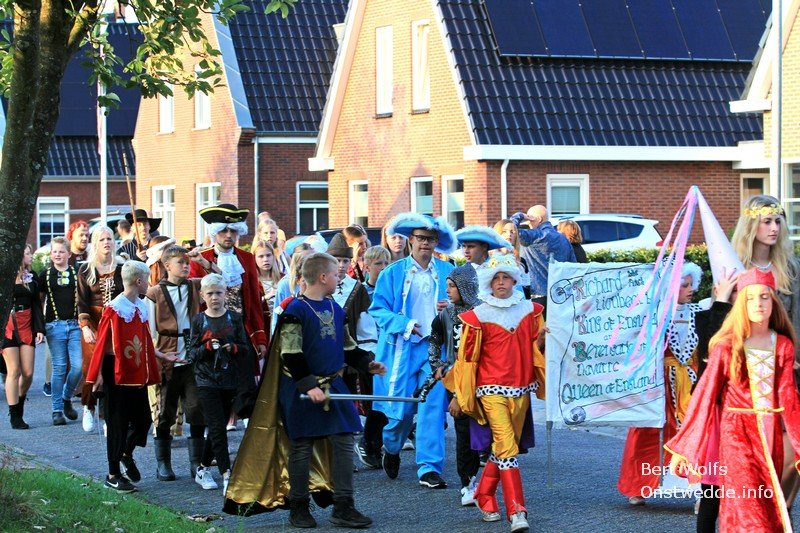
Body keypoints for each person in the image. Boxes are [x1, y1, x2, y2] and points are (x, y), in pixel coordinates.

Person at [665, 268, 800, 532]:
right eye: (750, 298)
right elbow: (704, 395)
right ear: (741, 304)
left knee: (768, 502)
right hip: (736, 434)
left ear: (774, 302)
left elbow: (789, 397)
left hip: (770, 435)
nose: (758, 304)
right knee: (746, 504)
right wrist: (685, 446)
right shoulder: (726, 346)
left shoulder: (783, 345)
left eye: (764, 297)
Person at [279, 253, 384, 527]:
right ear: (323, 277)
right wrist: (309, 385)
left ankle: (343, 506)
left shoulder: (336, 309)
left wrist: (367, 364)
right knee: (302, 446)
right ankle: (298, 506)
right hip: (300, 388)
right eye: (336, 274)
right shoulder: (294, 311)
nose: (340, 278)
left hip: (333, 385)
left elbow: (348, 347)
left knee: (344, 439)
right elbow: (290, 353)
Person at [446, 254, 545, 532]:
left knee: (503, 447)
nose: (501, 282)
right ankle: (517, 511)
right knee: (507, 447)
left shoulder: (531, 311)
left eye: (506, 277)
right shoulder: (477, 317)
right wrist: (459, 395)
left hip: (521, 389)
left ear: (515, 280)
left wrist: (544, 338)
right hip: (490, 391)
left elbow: (538, 350)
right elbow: (466, 361)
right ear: (489, 282)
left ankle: (485, 493)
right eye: (496, 278)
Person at [369, 213, 456, 488]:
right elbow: (378, 310)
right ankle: (392, 446)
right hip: (401, 350)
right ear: (411, 240)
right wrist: (405, 323)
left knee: (433, 406)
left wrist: (452, 309)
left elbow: (467, 306)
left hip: (436, 352)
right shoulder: (392, 272)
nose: (425, 243)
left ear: (437, 242)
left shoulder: (448, 271)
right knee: (401, 411)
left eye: (430, 239)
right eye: (420, 238)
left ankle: (429, 468)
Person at [731, 194, 800, 508]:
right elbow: (726, 324)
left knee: (793, 449)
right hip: (748, 372)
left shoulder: (791, 268)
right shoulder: (734, 267)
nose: (774, 228)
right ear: (751, 225)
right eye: (766, 221)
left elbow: (797, 320)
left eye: (778, 221)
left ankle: (781, 510)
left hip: (787, 370)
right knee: (752, 451)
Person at [618, 262, 704, 504]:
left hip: (690, 385)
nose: (690, 289)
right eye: (684, 285)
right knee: (648, 432)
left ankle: (698, 486)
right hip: (660, 384)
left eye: (691, 285)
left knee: (694, 432)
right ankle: (639, 485)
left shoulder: (699, 313)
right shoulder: (656, 315)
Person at [83, 261, 161, 493]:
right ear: (138, 281)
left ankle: (126, 452)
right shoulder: (114, 309)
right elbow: (102, 345)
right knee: (117, 423)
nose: (149, 283)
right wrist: (97, 375)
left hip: (136, 370)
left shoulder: (140, 306)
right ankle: (113, 474)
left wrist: (160, 355)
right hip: (115, 370)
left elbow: (144, 340)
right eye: (147, 279)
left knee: (143, 419)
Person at [188, 203, 268, 427]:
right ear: (215, 232)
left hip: (241, 332)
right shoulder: (200, 259)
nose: (229, 235)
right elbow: (195, 303)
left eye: (233, 230)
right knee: (215, 387)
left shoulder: (247, 258)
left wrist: (260, 337)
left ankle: (246, 431)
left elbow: (253, 301)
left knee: (246, 387)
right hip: (211, 333)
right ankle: (214, 432)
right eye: (224, 230)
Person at [186, 273, 252, 493]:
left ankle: (202, 468)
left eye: (218, 293)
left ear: (225, 294)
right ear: (202, 295)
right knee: (216, 427)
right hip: (206, 380)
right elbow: (192, 353)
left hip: (229, 379)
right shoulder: (198, 320)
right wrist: (206, 347)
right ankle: (227, 475)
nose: (214, 297)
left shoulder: (234, 318)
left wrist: (233, 348)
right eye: (210, 293)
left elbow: (245, 349)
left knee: (219, 427)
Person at [145, 245, 206, 483]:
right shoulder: (154, 293)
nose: (186, 266)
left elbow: (222, 279)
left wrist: (203, 261)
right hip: (167, 358)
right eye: (180, 262)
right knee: (165, 412)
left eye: (187, 262)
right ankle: (163, 463)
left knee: (196, 409)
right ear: (167, 265)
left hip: (192, 358)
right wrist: (158, 355)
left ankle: (196, 463)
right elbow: (150, 330)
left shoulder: (194, 286)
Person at [427, 265, 482, 506]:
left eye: (452, 286)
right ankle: (467, 483)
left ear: (466, 286)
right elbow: (434, 340)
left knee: (487, 430)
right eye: (447, 286)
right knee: (463, 430)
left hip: (483, 379)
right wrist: (436, 365)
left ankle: (489, 480)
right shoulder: (445, 315)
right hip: (456, 380)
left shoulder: (484, 312)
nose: (447, 291)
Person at [78, 226, 124, 432]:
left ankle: (108, 417)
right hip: (95, 323)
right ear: (95, 243)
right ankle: (88, 405)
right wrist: (85, 327)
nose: (107, 242)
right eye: (102, 239)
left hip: (116, 323)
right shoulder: (85, 270)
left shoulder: (122, 268)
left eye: (109, 239)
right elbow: (81, 302)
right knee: (92, 366)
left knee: (112, 368)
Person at [40, 237, 81, 426]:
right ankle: (57, 410)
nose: (58, 254)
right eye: (54, 251)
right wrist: (40, 326)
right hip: (54, 326)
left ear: (69, 254)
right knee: (59, 368)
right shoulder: (45, 275)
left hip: (74, 326)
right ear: (51, 254)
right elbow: (39, 300)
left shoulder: (76, 272)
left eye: (61, 251)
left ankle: (66, 397)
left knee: (78, 367)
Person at [3, 244, 45, 429]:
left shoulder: (32, 276)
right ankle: (14, 414)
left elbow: (37, 304)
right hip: (8, 326)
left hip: (26, 324)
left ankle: (19, 401)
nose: (31, 256)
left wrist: (40, 329)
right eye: (27, 253)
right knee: (14, 370)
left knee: (27, 374)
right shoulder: (5, 275)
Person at [510, 205, 576, 310]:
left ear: (539, 219)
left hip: (537, 296)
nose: (528, 223)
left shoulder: (534, 235)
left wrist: (520, 215)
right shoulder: (564, 240)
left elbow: (509, 229)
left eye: (530, 219)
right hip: (560, 296)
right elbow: (573, 267)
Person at [252, 240, 283, 345]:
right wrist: (265, 297)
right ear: (254, 258)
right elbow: (249, 307)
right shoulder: (252, 281)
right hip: (262, 328)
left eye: (268, 255)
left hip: (282, 327)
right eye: (261, 256)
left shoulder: (283, 278)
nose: (265, 259)